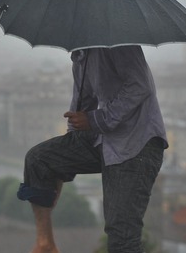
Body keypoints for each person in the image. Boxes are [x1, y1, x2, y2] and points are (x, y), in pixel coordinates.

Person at [17, 45, 167, 253]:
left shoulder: (117, 41)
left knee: (121, 238)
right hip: (104, 140)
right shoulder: (81, 53)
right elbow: (83, 101)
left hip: (137, 146)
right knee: (40, 160)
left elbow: (140, 86)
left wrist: (96, 119)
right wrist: (69, 146)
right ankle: (45, 244)